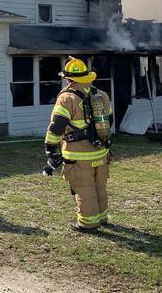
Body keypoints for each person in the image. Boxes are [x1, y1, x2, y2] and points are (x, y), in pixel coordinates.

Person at [43, 57, 113, 232]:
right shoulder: (102, 94)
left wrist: (50, 148)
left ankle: (88, 223)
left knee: (84, 188)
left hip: (78, 155)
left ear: (68, 79)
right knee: (100, 187)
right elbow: (109, 120)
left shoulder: (67, 98)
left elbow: (57, 127)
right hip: (100, 151)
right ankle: (102, 218)